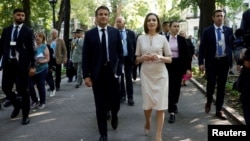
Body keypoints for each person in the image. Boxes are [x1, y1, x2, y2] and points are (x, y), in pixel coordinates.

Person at [82, 5, 123, 141]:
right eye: (101, 14)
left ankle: (115, 115)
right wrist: (86, 75)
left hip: (113, 73)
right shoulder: (89, 34)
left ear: (109, 16)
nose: (103, 16)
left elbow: (120, 53)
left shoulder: (115, 32)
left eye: (106, 14)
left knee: (115, 101)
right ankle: (103, 134)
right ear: (96, 17)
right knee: (99, 105)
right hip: (97, 74)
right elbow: (86, 56)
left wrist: (119, 70)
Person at [135, 13, 172, 141]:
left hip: (161, 75)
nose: (151, 22)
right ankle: (147, 121)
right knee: (147, 105)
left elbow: (170, 59)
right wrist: (143, 58)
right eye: (149, 20)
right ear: (146, 23)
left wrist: (160, 57)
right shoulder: (140, 38)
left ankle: (158, 135)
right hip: (146, 74)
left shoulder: (162, 38)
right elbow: (136, 60)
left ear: (157, 23)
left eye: (154, 20)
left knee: (161, 105)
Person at [0, 8, 36, 125]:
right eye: (18, 15)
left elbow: (31, 50)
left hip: (21, 66)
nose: (21, 17)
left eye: (22, 15)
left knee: (23, 91)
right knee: (5, 88)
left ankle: (25, 116)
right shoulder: (6, 30)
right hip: (8, 64)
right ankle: (17, 105)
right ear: (13, 16)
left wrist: (32, 66)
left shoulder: (27, 31)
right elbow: (1, 48)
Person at [198, 9, 233, 120]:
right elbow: (202, 47)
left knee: (221, 87)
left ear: (224, 17)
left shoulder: (229, 30)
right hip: (212, 62)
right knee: (211, 84)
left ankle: (219, 109)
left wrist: (237, 61)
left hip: (224, 62)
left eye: (221, 16)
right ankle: (209, 100)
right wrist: (201, 63)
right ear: (213, 18)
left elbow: (232, 46)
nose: (219, 18)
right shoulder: (207, 31)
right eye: (217, 16)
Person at [165, 21, 191, 124]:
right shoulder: (164, 39)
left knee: (176, 86)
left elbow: (187, 55)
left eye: (178, 27)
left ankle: (173, 103)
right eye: (174, 26)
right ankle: (171, 108)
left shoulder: (182, 39)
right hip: (167, 65)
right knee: (169, 86)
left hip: (178, 65)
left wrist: (188, 68)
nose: (176, 28)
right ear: (169, 27)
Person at [115, 16, 136, 105]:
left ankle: (130, 97)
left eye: (120, 21)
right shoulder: (114, 33)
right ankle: (122, 95)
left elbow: (134, 46)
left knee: (128, 78)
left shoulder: (130, 33)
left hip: (128, 59)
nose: (118, 23)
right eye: (117, 22)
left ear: (124, 23)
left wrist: (135, 58)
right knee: (120, 78)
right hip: (118, 60)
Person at [29, 32, 50, 109]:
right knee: (30, 85)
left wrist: (41, 61)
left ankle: (42, 102)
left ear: (42, 39)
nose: (37, 38)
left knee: (40, 86)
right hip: (32, 69)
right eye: (36, 36)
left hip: (42, 69)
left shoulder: (44, 47)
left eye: (40, 37)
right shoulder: (32, 46)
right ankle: (35, 101)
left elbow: (47, 59)